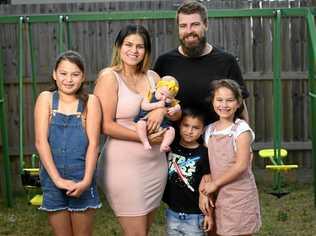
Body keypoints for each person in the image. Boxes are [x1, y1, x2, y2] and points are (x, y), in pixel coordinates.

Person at [93, 24, 168, 236]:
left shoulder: (153, 77)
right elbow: (104, 125)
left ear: (147, 51)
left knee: (143, 230)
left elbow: (168, 106)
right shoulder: (109, 77)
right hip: (124, 166)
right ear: (118, 46)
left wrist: (160, 112)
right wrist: (143, 138)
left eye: (140, 46)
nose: (134, 50)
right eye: (128, 44)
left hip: (155, 165)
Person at [34, 50, 102, 236]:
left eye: (75, 74)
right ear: (54, 74)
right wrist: (57, 180)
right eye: (63, 73)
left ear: (83, 77)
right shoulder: (46, 99)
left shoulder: (91, 102)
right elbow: (41, 142)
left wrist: (86, 181)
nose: (69, 79)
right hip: (52, 179)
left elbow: (94, 145)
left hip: (81, 178)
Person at [153, 0, 250, 125]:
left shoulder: (226, 62)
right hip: (172, 142)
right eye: (183, 26)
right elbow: (153, 102)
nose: (189, 31)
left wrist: (247, 137)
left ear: (206, 25)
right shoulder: (164, 62)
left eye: (195, 24)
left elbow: (241, 106)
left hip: (217, 141)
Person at [200, 79, 261, 236]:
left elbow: (241, 165)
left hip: (238, 194)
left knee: (238, 231)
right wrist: (206, 190)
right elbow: (205, 164)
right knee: (215, 231)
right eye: (219, 100)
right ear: (213, 102)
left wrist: (215, 184)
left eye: (230, 100)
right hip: (217, 193)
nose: (224, 105)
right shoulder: (209, 130)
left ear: (239, 102)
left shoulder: (241, 130)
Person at [163, 108, 213, 235]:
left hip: (195, 215)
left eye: (195, 128)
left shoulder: (204, 153)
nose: (189, 131)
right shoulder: (169, 147)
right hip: (172, 212)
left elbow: (208, 185)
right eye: (186, 125)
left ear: (202, 130)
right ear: (179, 125)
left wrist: (209, 215)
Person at [134, 75, 181, 152]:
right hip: (145, 120)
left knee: (172, 130)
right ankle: (145, 141)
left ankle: (164, 145)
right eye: (162, 94)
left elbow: (178, 106)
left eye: (168, 97)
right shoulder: (150, 95)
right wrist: (156, 105)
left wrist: (174, 109)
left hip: (163, 125)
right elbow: (144, 106)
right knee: (140, 124)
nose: (164, 98)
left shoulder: (172, 102)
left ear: (173, 97)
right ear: (156, 89)